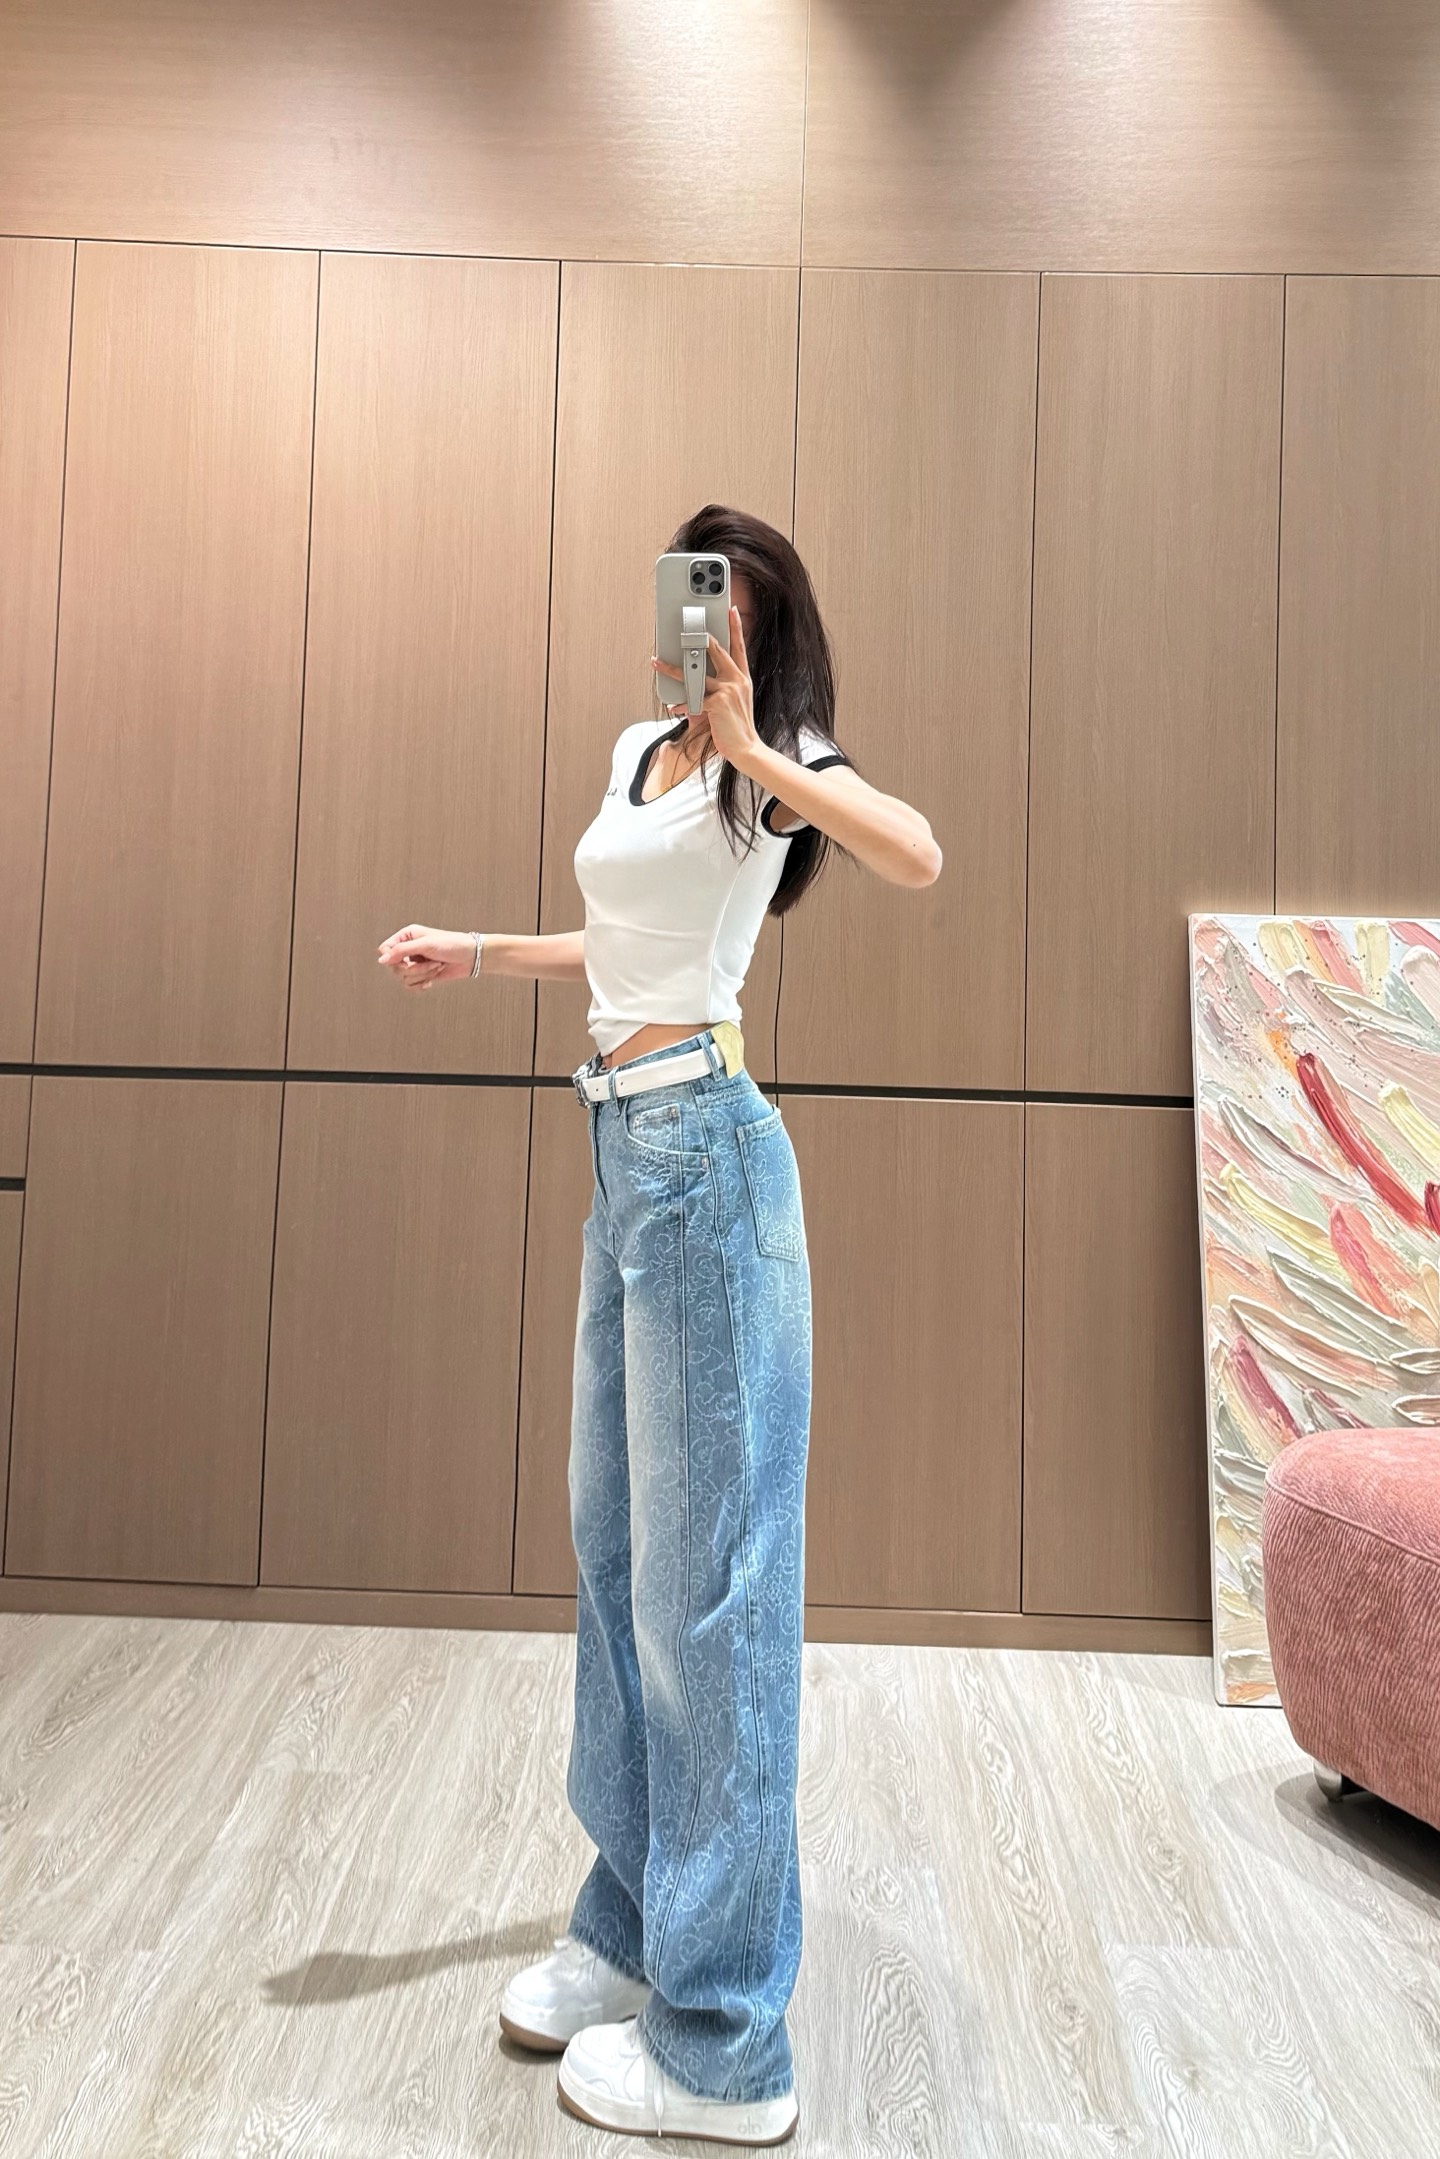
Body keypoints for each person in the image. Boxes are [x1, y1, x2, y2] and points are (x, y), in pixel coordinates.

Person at [378, 504, 941, 2146]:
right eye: (689, 604)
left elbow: (917, 852)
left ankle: (724, 2046)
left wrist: (757, 744)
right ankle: (632, 1927)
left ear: (766, 635)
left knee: (717, 1601)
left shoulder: (776, 767)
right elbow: (621, 943)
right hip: (625, 1157)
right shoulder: (641, 754)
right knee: (623, 1564)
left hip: (709, 1158)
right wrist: (480, 952)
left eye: (730, 614)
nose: (699, 635)